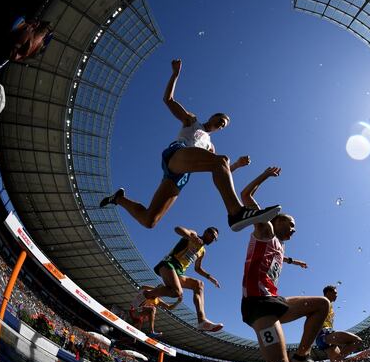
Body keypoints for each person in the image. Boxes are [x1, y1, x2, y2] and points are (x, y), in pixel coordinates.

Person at [99, 59, 281, 232]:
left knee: (149, 220)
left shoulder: (210, 147)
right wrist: (175, 74)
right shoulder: (192, 121)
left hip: (181, 175)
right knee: (221, 160)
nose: (221, 124)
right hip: (176, 154)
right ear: (212, 117)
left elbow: (224, 173)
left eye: (224, 125)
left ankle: (119, 199)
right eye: (221, 120)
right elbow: (168, 100)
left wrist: (237, 166)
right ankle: (236, 213)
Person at [238, 166, 337, 362]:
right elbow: (245, 196)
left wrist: (295, 261)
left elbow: (278, 257)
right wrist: (264, 176)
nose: (294, 230)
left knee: (322, 305)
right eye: (291, 224)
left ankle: (302, 356)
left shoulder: (279, 246)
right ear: (277, 220)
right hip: (258, 306)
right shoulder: (264, 230)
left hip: (273, 300)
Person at [141, 226, 224, 332]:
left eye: (215, 238)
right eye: (212, 235)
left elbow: (197, 268)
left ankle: (202, 321)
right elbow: (177, 229)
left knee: (199, 284)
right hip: (169, 263)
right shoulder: (193, 235)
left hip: (178, 272)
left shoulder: (202, 251)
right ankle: (147, 294)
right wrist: (190, 236)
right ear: (206, 232)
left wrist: (210, 278)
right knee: (177, 292)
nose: (212, 238)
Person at [313, 285, 362, 362]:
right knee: (357, 340)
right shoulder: (323, 301)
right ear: (328, 293)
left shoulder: (330, 306)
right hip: (324, 335)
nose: (337, 295)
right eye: (335, 292)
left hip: (327, 340)